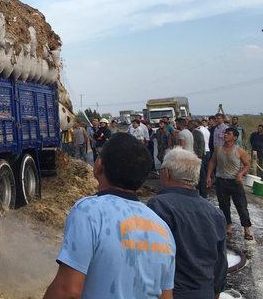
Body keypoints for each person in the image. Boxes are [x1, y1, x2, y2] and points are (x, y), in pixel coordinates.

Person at [43, 133, 175, 299]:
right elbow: (166, 296)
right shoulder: (162, 228)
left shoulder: (89, 211)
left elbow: (67, 291)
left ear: (99, 166)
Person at [147, 148, 227, 299]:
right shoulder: (215, 213)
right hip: (204, 291)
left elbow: (151, 258)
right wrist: (216, 292)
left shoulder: (159, 205)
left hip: (170, 292)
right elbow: (220, 262)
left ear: (166, 173)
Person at [206, 127, 254, 241]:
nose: (225, 135)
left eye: (228, 133)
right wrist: (208, 176)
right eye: (225, 133)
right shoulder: (218, 149)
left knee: (241, 206)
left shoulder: (239, 150)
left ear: (235, 137)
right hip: (221, 181)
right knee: (224, 206)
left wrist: (240, 174)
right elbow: (212, 162)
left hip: (235, 183)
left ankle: (247, 229)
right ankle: (228, 227)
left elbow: (247, 164)